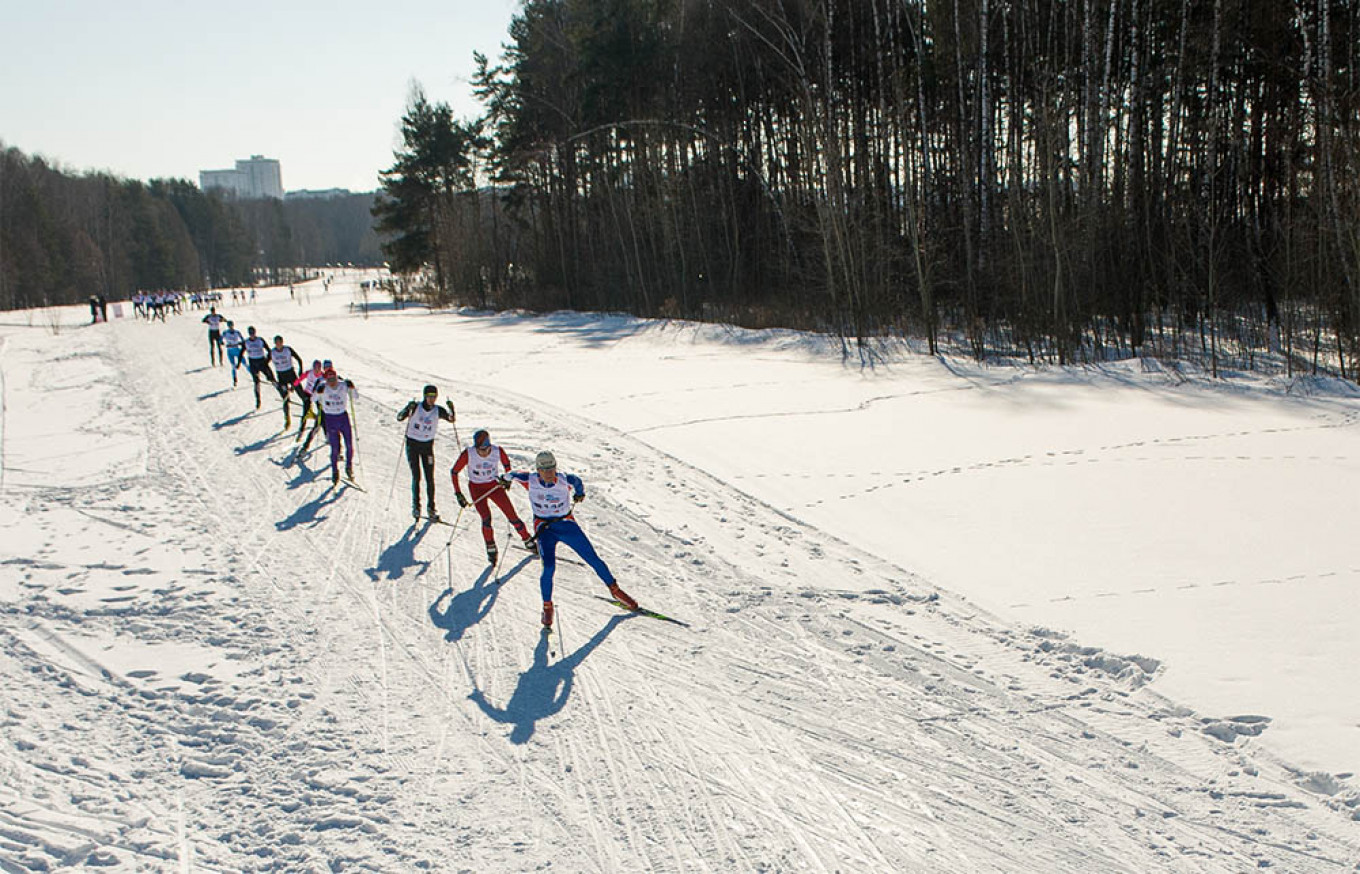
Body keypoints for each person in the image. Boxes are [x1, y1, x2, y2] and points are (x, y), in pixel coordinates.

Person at [501, 450, 636, 628]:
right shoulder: (530, 480)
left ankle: (615, 590)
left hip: (566, 525)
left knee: (592, 558)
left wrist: (579, 493)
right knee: (548, 568)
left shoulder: (565, 479)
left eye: (552, 469)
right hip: (545, 529)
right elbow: (512, 475)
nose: (550, 474)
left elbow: (578, 482)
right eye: (545, 470)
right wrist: (504, 479)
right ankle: (547, 607)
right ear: (538, 470)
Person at [452, 429, 535, 562]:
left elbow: (507, 465)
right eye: (480, 449)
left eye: (486, 449)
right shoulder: (468, 454)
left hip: (494, 487)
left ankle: (527, 539)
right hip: (476, 488)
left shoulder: (497, 451)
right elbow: (454, 472)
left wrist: (507, 478)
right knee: (486, 518)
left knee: (512, 515)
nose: (484, 452)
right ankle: (491, 547)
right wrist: (458, 493)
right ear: (475, 447)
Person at [395, 385, 456, 521]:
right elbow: (399, 418)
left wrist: (452, 408)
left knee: (430, 478)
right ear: (424, 396)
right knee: (416, 476)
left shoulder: (437, 410)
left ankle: (431, 508)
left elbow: (451, 419)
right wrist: (407, 408)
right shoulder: (416, 407)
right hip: (413, 444)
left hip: (427, 446)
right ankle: (416, 506)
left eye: (434, 397)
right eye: (429, 397)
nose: (432, 400)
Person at [314, 366, 357, 485]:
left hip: (343, 417)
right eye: (330, 380)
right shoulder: (323, 386)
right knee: (335, 448)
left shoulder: (343, 385)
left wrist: (352, 388)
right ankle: (334, 471)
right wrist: (318, 392)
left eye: (334, 380)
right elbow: (313, 399)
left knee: (349, 444)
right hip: (330, 418)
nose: (332, 383)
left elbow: (355, 397)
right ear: (326, 380)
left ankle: (349, 467)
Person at [268, 335, 304, 428]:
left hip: (291, 375)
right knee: (285, 399)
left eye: (280, 342)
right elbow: (265, 364)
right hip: (281, 377)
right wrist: (271, 378)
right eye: (276, 343)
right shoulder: (272, 352)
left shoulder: (288, 350)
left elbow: (299, 359)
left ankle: (308, 413)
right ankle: (287, 418)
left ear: (282, 342)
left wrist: (300, 372)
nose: (278, 344)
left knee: (302, 394)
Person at [241, 327, 276, 410]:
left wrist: (267, 361)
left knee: (272, 378)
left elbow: (269, 351)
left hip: (262, 361)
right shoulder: (246, 342)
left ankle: (283, 394)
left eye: (253, 333)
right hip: (253, 363)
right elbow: (241, 352)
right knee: (256, 382)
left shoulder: (260, 340)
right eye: (250, 333)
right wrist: (239, 363)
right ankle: (258, 400)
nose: (252, 335)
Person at [292, 359, 326, 442]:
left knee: (321, 414)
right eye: (315, 368)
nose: (317, 370)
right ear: (313, 367)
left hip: (318, 396)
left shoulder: (323, 376)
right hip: (308, 393)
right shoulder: (309, 373)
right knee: (305, 412)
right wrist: (293, 386)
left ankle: (326, 434)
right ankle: (301, 430)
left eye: (318, 368)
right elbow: (299, 379)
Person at [221, 321, 246, 386]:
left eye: (231, 325)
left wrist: (241, 343)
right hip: (230, 351)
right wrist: (222, 342)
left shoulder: (237, 332)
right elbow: (220, 339)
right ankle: (235, 379)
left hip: (237, 350)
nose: (230, 327)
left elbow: (242, 339)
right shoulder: (225, 332)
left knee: (245, 363)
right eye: (229, 326)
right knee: (233, 366)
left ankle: (254, 376)